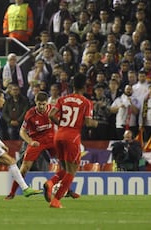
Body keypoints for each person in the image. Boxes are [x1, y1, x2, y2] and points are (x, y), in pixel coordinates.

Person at [45, 73, 98, 208]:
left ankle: (53, 185)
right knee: (72, 170)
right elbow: (87, 122)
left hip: (59, 135)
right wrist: (96, 124)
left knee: (65, 167)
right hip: (72, 137)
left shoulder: (63, 99)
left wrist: (62, 124)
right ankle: (56, 199)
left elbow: (51, 115)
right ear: (84, 87)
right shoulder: (86, 102)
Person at [5, 91, 56, 200]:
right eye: (39, 104)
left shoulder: (52, 110)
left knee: (65, 161)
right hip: (36, 141)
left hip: (51, 140)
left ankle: (67, 189)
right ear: (35, 102)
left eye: (44, 104)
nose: (41, 107)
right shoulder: (30, 114)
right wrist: (30, 141)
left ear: (47, 103)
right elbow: (22, 131)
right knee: (24, 168)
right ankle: (12, 193)